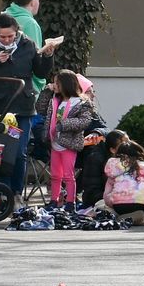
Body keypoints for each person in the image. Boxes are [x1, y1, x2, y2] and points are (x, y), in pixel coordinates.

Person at [0, 13, 52, 197]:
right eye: (2, 37)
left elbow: (40, 72)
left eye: (10, 37)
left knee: (19, 152)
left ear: (17, 33)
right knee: (0, 151)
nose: (6, 40)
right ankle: (1, 191)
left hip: (22, 107)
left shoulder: (27, 44)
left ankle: (16, 193)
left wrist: (47, 57)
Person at [44, 70, 99, 207]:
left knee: (68, 175)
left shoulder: (81, 103)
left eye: (57, 83)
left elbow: (84, 121)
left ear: (66, 84)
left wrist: (64, 124)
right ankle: (54, 200)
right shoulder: (55, 101)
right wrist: (45, 92)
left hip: (69, 143)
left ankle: (70, 201)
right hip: (55, 142)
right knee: (55, 175)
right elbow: (40, 108)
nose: (54, 85)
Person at [2, 0, 64, 94]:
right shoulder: (30, 24)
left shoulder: (3, 18)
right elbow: (35, 56)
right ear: (33, 2)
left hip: (2, 82)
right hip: (25, 86)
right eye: (38, 0)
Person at [102, 135, 144, 225]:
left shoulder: (112, 168)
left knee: (121, 210)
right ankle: (143, 220)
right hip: (141, 203)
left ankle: (122, 217)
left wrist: (112, 203)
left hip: (119, 206)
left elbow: (107, 193)